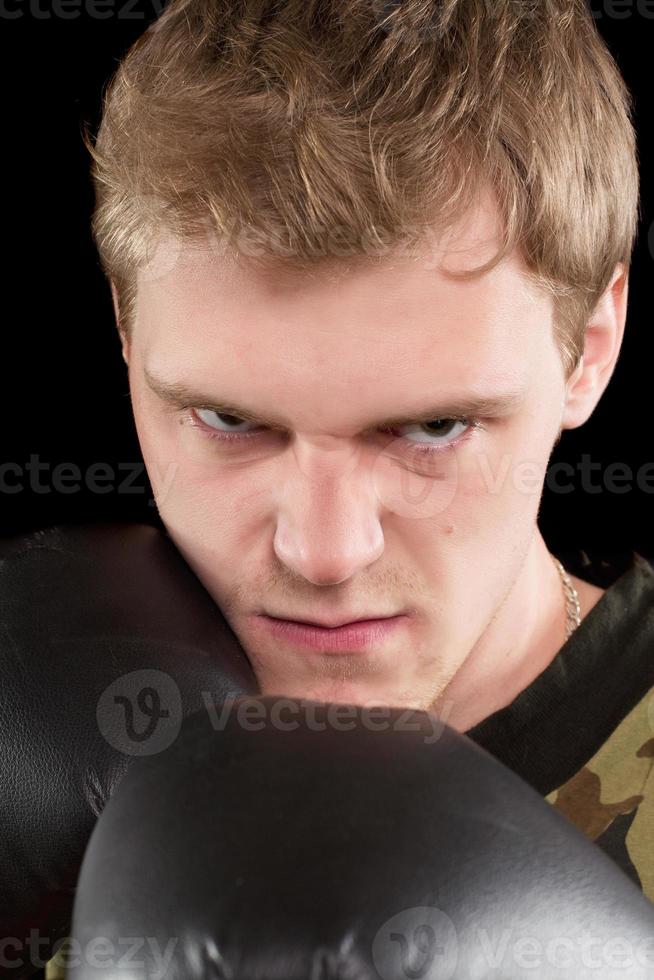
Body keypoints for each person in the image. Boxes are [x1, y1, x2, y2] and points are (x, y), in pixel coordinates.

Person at [41, 7, 647, 970]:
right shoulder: (44, 760)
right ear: (124, 327)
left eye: (433, 429)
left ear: (590, 351)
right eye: (231, 422)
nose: (324, 553)